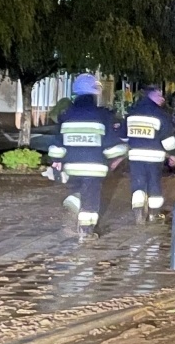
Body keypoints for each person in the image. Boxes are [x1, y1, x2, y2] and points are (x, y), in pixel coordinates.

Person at [46, 73, 127, 241]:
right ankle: (86, 231)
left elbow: (57, 143)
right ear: (95, 92)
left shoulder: (66, 114)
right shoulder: (102, 115)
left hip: (72, 166)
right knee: (91, 199)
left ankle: (73, 202)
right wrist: (119, 155)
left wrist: (56, 161)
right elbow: (110, 144)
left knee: (78, 190)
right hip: (94, 167)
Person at [124, 84, 175, 224]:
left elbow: (124, 136)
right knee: (154, 184)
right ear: (150, 95)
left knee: (138, 184)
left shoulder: (132, 113)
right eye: (159, 95)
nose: (162, 98)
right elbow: (168, 140)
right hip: (154, 158)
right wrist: (172, 154)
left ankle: (138, 214)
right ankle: (154, 214)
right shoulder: (160, 114)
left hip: (135, 157)